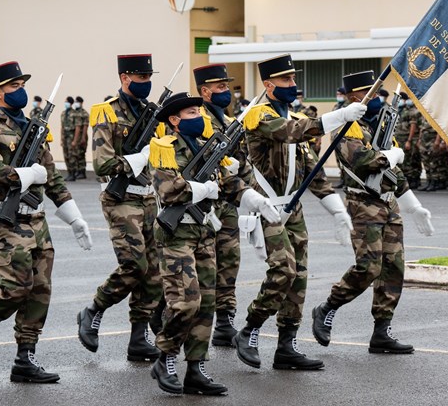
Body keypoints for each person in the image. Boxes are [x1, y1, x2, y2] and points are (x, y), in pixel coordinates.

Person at [0, 61, 93, 383]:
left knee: (40, 290)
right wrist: (28, 174)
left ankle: (25, 359)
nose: (21, 91)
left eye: (22, 85)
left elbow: (52, 177)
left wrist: (74, 216)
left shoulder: (34, 128)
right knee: (16, 289)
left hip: (37, 221)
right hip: (5, 220)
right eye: (14, 86)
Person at [232, 53, 366, 370]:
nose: (293, 83)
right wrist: (340, 116)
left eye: (294, 78)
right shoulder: (259, 116)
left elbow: (313, 173)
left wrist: (338, 211)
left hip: (293, 210)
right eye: (286, 79)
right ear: (268, 85)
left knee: (299, 278)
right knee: (284, 271)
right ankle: (250, 328)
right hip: (267, 208)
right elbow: (292, 131)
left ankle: (286, 345)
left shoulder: (293, 116)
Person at [148, 92, 280, 395]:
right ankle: (166, 357)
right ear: (174, 120)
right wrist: (202, 189)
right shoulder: (163, 148)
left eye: (199, 111)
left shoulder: (207, 148)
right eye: (192, 113)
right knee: (186, 302)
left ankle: (196, 368)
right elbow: (169, 189)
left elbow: (227, 183)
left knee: (207, 304)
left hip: (204, 234)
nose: (200, 117)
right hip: (176, 235)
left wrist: (254, 199)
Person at [311, 71, 434, 355]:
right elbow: (363, 161)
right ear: (354, 96)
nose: (377, 97)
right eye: (371, 92)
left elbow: (393, 173)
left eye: (378, 92)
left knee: (393, 268)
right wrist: (392, 155)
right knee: (368, 267)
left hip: (389, 205)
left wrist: (413, 205)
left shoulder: (380, 124)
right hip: (363, 205)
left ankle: (382, 331)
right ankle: (327, 307)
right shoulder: (347, 126)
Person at [77, 54, 162, 362]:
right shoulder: (107, 112)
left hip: (149, 199)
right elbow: (102, 164)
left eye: (149, 77)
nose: (146, 83)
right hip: (121, 198)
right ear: (125, 78)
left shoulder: (153, 113)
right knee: (135, 265)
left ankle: (139, 338)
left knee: (153, 271)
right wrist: (137, 158)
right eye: (141, 78)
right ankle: (93, 309)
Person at [192, 64, 249, 347]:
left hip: (228, 204)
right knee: (203, 268)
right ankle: (186, 324)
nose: (226, 91)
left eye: (226, 86)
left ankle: (225, 322)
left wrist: (251, 195)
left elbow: (243, 162)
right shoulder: (196, 120)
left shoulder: (228, 121)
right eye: (221, 87)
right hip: (205, 204)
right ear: (205, 91)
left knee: (229, 261)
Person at [61, 96, 79, 181]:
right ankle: (69, 173)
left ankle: (73, 173)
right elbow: (62, 127)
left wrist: (75, 140)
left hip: (71, 137)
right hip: (65, 137)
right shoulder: (63, 113)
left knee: (72, 155)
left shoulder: (75, 113)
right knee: (66, 155)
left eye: (67, 102)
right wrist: (61, 138)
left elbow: (77, 127)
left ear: (71, 103)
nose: (65, 103)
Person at [73, 95, 89, 179]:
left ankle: (82, 172)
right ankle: (78, 171)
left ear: (81, 103)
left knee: (81, 154)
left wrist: (83, 138)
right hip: (76, 137)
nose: (76, 103)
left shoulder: (84, 113)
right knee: (76, 154)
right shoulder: (75, 112)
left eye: (77, 102)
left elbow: (85, 126)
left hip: (82, 137)